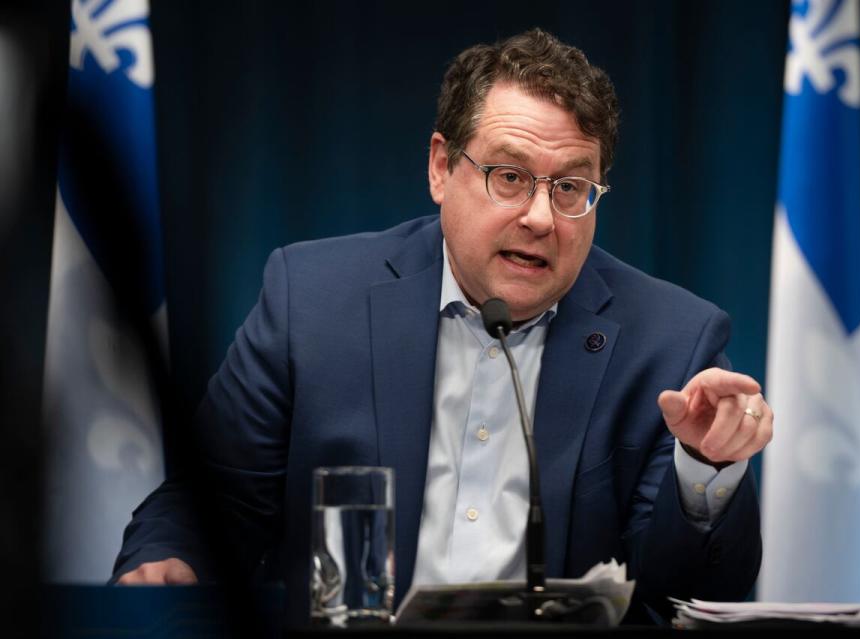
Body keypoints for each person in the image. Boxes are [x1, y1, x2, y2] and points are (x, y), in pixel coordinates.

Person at [113, 29, 773, 625]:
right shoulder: (313, 302)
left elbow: (695, 593)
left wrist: (705, 466)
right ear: (440, 167)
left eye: (571, 187)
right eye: (509, 177)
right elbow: (211, 503)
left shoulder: (670, 339)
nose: (542, 217)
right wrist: (171, 557)